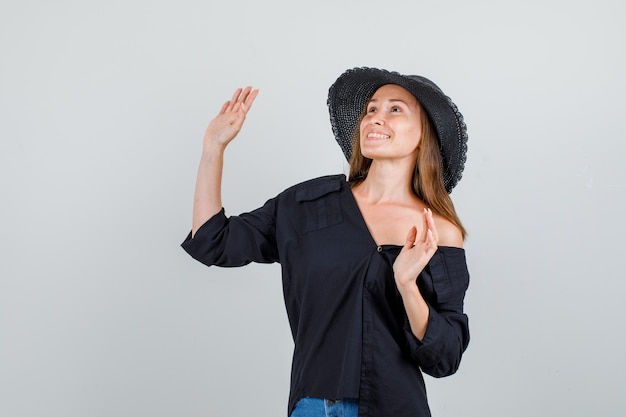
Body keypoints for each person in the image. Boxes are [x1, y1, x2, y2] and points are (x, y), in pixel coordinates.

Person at [181, 67, 470, 417]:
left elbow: (445, 357)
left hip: (395, 407)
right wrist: (213, 149)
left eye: (395, 109)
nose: (376, 118)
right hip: (313, 405)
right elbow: (213, 241)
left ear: (425, 134)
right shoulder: (306, 206)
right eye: (371, 109)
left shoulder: (437, 232)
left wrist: (407, 285)